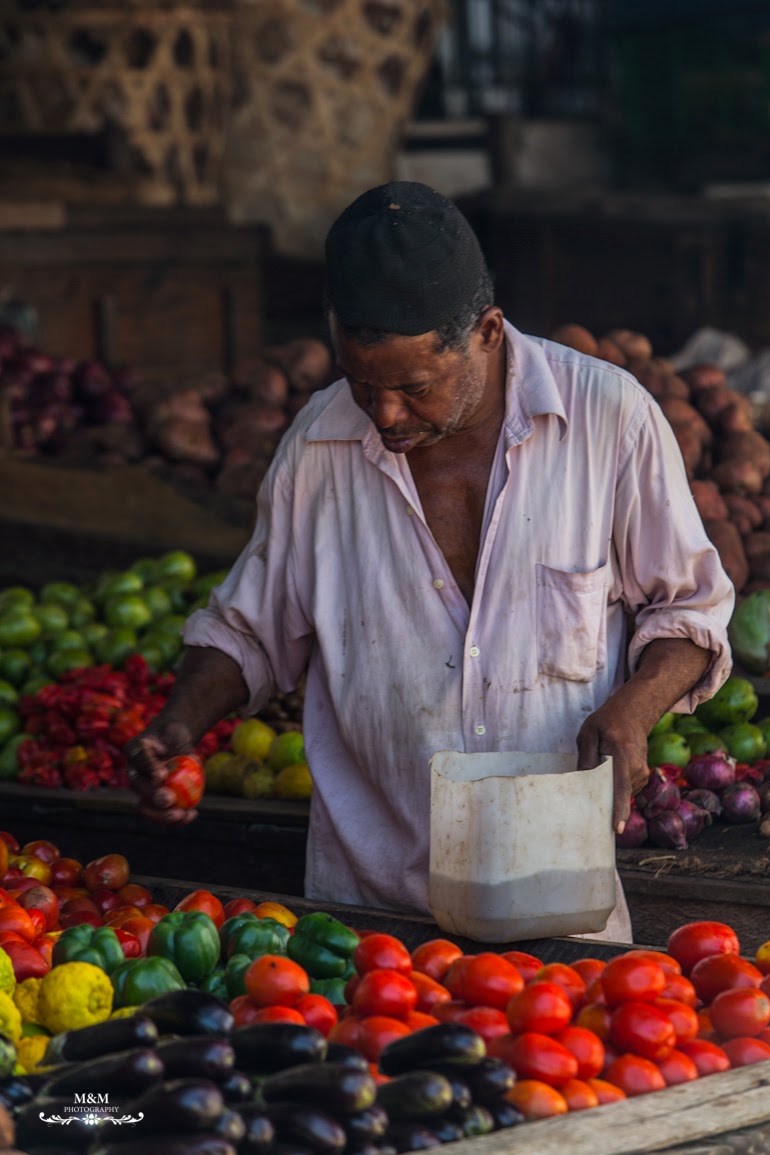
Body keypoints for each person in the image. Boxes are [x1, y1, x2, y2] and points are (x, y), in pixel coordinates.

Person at [126, 181, 734, 942]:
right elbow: (249, 631)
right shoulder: (319, 449)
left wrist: (636, 708)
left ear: (486, 331)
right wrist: (179, 726)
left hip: (557, 904)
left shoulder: (609, 419)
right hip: (369, 918)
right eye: (361, 383)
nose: (382, 415)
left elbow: (690, 610)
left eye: (413, 387)